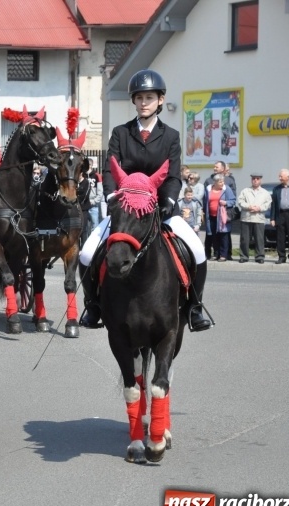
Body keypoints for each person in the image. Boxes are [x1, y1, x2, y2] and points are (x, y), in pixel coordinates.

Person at [78, 69, 212, 332]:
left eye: (149, 97)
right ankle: (93, 306)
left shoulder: (171, 136)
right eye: (139, 98)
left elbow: (173, 175)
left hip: (160, 209)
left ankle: (195, 308)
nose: (144, 102)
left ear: (160, 100)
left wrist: (170, 201)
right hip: (125, 211)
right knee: (86, 253)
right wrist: (111, 196)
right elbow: (110, 169)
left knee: (197, 250)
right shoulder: (120, 133)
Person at [237, 173, 272, 263]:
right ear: (251, 180)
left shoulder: (265, 192)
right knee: (245, 239)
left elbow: (268, 204)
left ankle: (259, 256)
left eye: (257, 179)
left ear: (260, 180)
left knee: (259, 239)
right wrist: (249, 206)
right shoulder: (245, 191)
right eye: (253, 179)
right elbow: (240, 201)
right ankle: (244, 256)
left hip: (258, 218)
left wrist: (259, 208)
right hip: (246, 218)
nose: (255, 180)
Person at [203, 175, 236, 261]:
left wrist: (226, 202)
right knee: (214, 236)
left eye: (223, 181)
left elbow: (233, 200)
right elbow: (205, 201)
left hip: (222, 217)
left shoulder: (226, 189)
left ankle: (223, 255)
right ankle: (216, 254)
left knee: (223, 236)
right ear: (215, 182)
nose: (222, 183)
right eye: (220, 182)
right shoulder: (208, 189)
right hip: (211, 216)